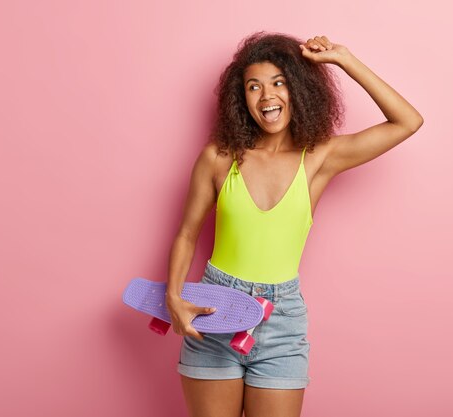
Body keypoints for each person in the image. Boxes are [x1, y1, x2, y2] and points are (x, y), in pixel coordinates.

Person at [165, 31, 423, 417]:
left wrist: (343, 59)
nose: (267, 97)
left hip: (280, 322)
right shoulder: (218, 158)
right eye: (254, 87)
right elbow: (186, 234)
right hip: (215, 310)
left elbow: (408, 121)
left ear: (297, 90)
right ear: (242, 99)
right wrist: (173, 298)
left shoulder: (319, 158)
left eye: (279, 83)